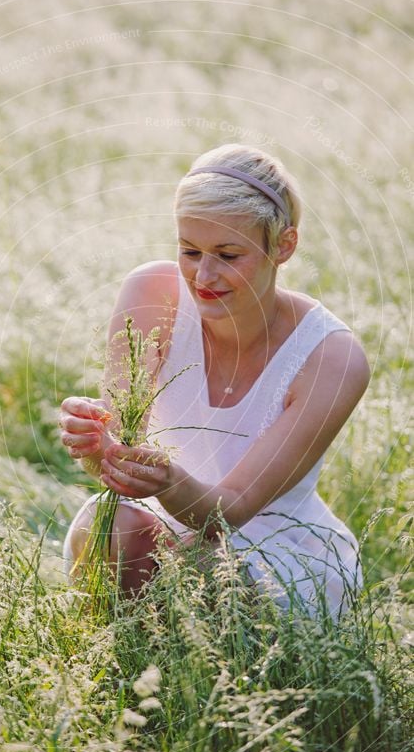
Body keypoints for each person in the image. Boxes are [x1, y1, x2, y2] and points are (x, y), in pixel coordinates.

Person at [59, 143, 370, 618]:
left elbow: (230, 512)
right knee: (109, 522)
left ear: (283, 246)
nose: (203, 276)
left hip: (274, 550)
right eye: (190, 251)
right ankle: (130, 677)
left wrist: (166, 480)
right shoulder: (152, 294)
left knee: (200, 560)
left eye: (228, 255)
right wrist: (97, 445)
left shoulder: (333, 357)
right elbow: (120, 460)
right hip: (166, 519)